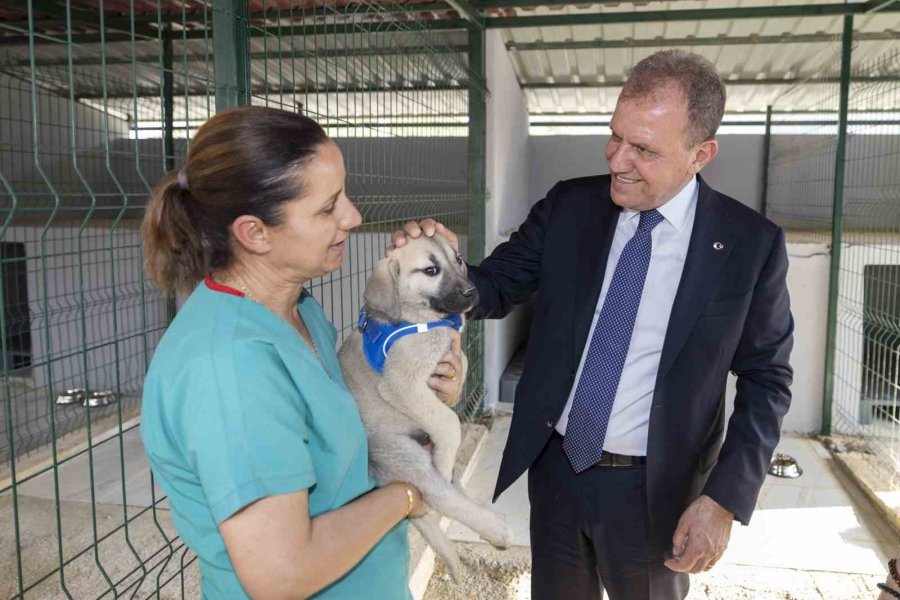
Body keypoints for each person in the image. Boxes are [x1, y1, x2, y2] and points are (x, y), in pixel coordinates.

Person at [394, 50, 794, 600]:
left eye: (644, 149)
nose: (617, 159)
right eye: (615, 137)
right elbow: (494, 286)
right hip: (558, 470)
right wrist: (436, 266)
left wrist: (723, 499)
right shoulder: (570, 207)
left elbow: (767, 379)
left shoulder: (750, 244)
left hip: (660, 492)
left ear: (700, 154)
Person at [140, 105, 464, 599]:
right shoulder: (230, 367)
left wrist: (428, 383)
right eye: (328, 207)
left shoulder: (297, 310)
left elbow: (336, 439)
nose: (352, 217)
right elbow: (281, 573)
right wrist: (408, 494)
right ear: (254, 233)